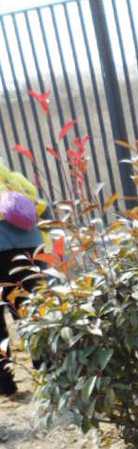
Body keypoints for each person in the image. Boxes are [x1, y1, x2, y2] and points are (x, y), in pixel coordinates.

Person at [0, 164, 49, 396]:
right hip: (31, 244)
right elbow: (41, 207)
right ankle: (48, 373)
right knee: (31, 309)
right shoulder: (12, 176)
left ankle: (4, 381)